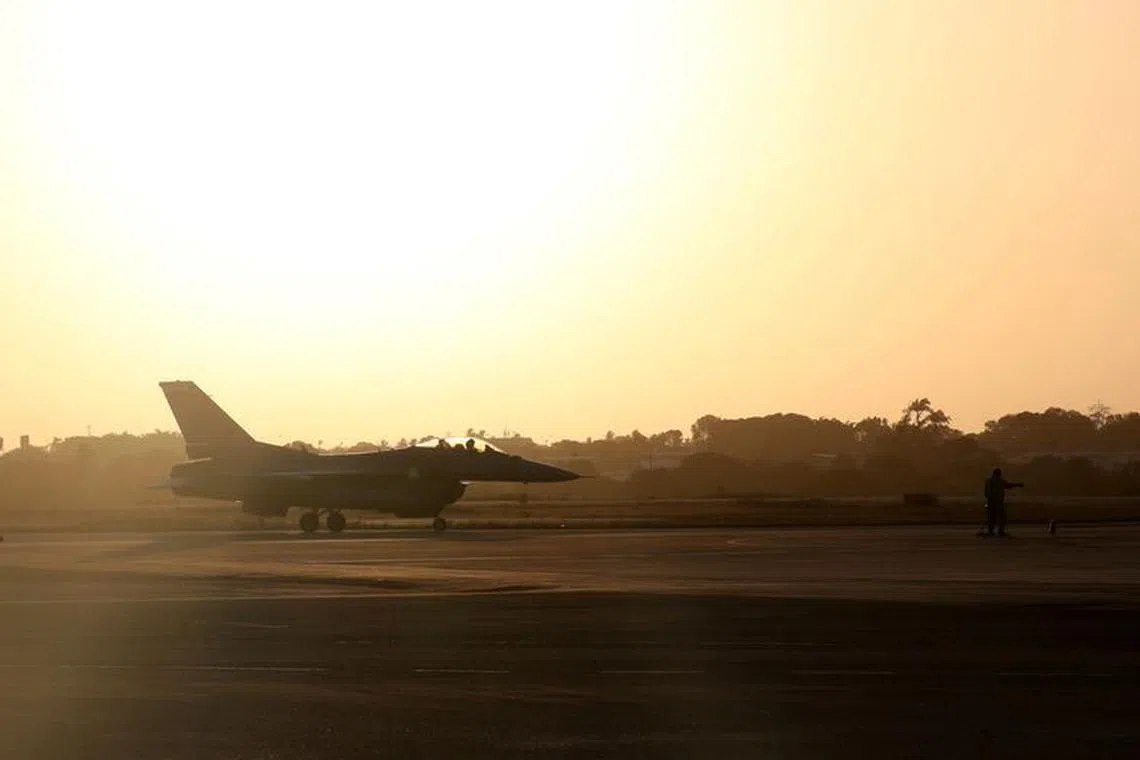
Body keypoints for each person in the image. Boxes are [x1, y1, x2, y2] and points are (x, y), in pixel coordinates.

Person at [982, 467, 1023, 537]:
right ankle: (1000, 531)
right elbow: (1008, 485)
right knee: (1001, 517)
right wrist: (1018, 485)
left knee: (991, 517)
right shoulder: (1000, 481)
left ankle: (991, 531)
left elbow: (986, 493)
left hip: (990, 501)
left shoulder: (988, 481)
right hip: (998, 501)